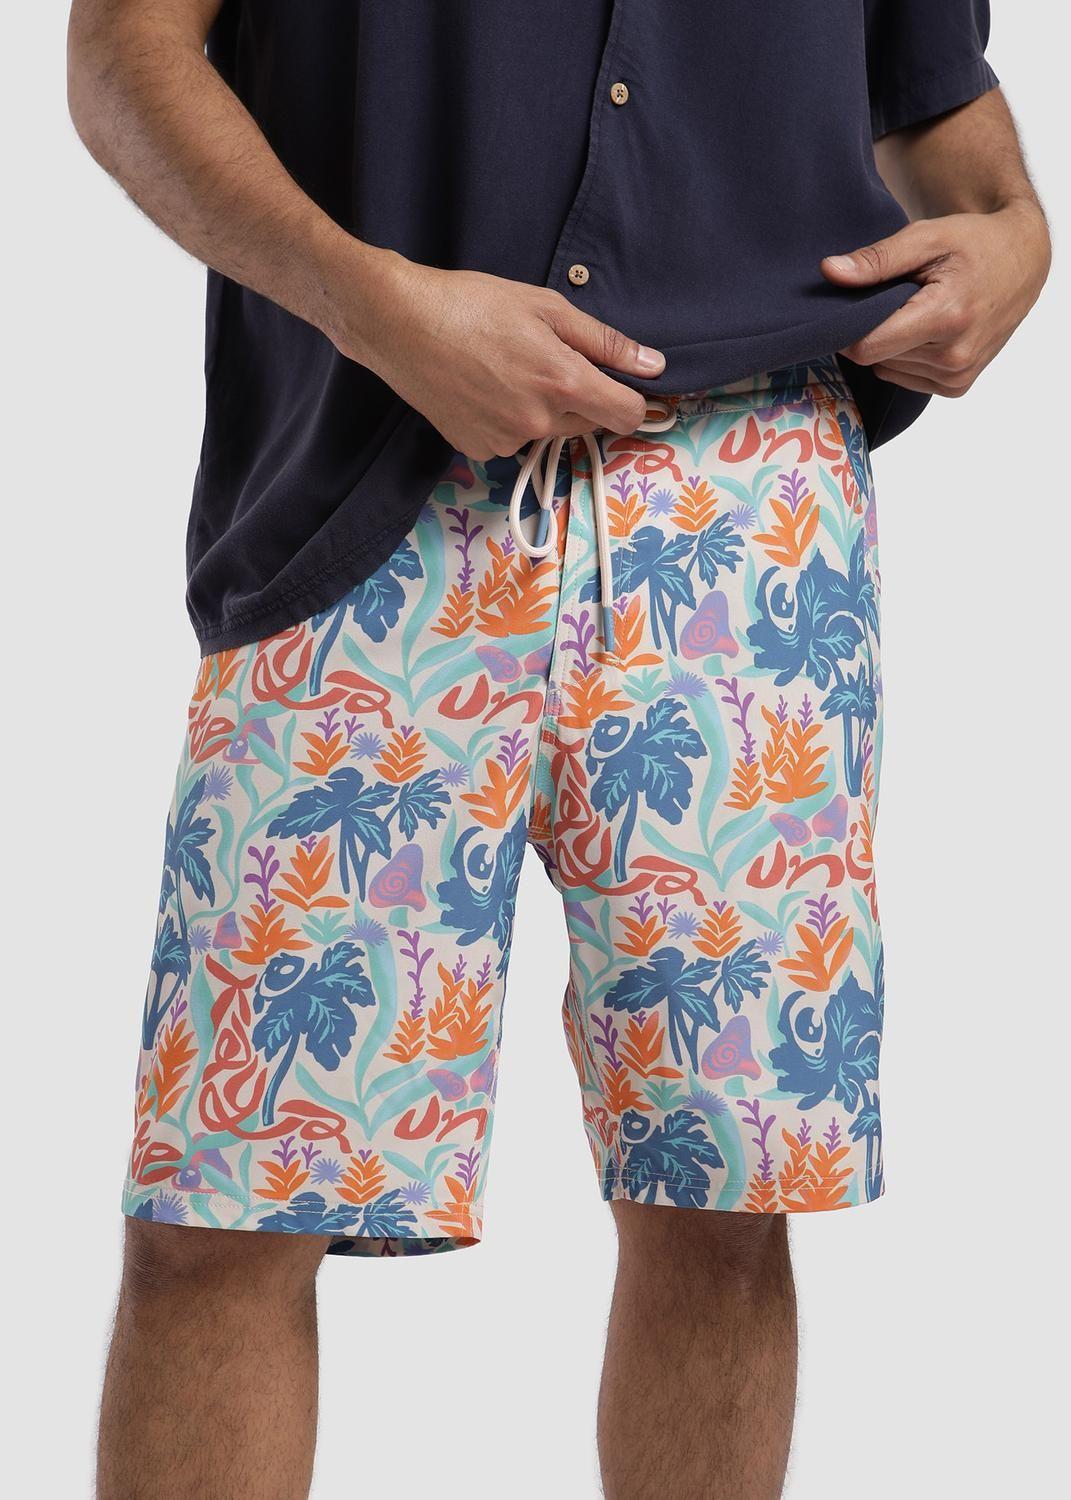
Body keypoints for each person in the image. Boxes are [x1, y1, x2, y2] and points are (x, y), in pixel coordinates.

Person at [67, 3, 1049, 1497]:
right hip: (369, 490)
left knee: (725, 1198)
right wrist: (375, 305)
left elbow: (936, 102)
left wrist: (1016, 235)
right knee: (227, 1207)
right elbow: (123, 59)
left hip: (746, 513)